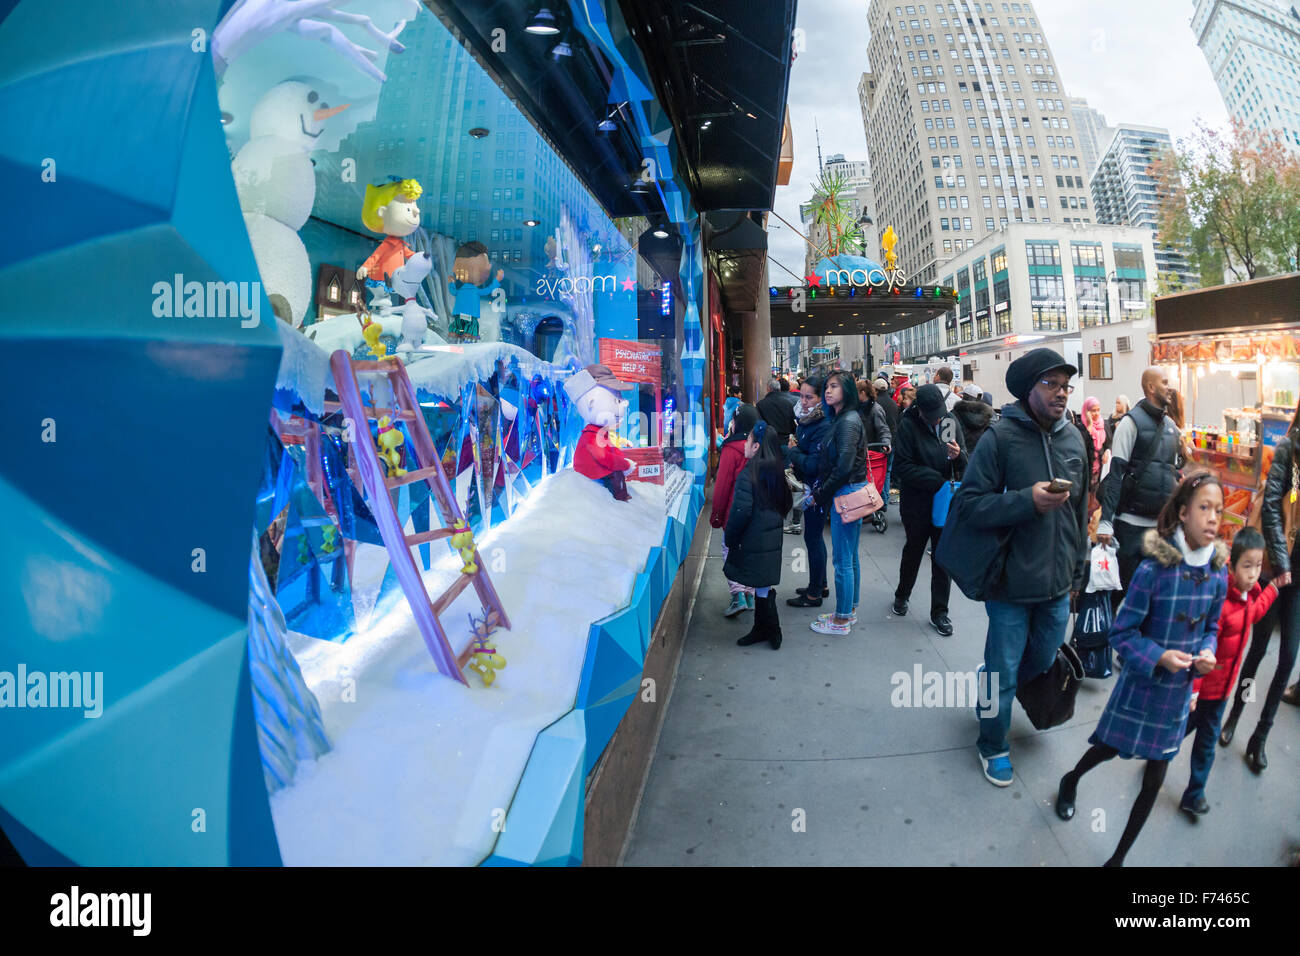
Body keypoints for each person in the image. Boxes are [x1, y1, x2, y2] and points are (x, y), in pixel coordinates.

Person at [1054, 472, 1227, 866]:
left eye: (1218, 509)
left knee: (1155, 779)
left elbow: (1213, 628)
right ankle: (1071, 780)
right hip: (1141, 687)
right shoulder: (1155, 570)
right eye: (1204, 507)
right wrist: (1159, 657)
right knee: (1108, 749)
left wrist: (1207, 652)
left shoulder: (1218, 572)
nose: (1214, 517)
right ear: (1183, 513)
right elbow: (1122, 633)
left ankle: (1117, 859)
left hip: (1177, 697)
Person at [947, 348, 1089, 786]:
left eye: (1066, 386)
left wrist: (1078, 570)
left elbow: (1081, 510)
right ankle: (992, 743)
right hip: (1010, 583)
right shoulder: (999, 438)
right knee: (1005, 671)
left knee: (1041, 659)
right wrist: (1026, 500)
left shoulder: (1075, 438)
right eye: (1051, 384)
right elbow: (969, 505)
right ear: (1029, 388)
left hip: (1058, 584)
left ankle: (993, 681)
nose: (1061, 394)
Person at [1180, 527, 1279, 819]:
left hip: (1222, 693)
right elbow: (1202, 647)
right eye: (1247, 566)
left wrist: (1273, 588)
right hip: (1202, 692)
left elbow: (1257, 612)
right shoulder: (1221, 602)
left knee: (1206, 747)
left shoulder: (1250, 597)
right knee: (1178, 732)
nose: (1253, 573)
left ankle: (1194, 795)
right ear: (1232, 565)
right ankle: (1156, 757)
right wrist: (1194, 689)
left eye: (1258, 566)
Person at [1231, 400, 1300, 773]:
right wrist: (1282, 562)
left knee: (1288, 658)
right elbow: (1273, 505)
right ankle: (1235, 715)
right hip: (1279, 566)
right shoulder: (1291, 448)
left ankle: (1260, 736)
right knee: (1256, 652)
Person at [1097, 367, 1182, 601]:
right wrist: (1105, 522)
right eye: (1165, 382)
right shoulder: (1130, 423)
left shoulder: (1171, 427)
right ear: (1151, 387)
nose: (1170, 387)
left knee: (1152, 602)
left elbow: (1173, 472)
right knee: (1125, 598)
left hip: (1160, 529)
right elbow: (1116, 475)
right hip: (1130, 529)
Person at [892, 383, 966, 636]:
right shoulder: (908, 425)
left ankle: (940, 612)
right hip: (917, 501)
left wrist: (958, 456)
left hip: (944, 500)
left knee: (942, 556)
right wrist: (937, 481)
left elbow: (961, 460)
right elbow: (903, 467)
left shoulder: (947, 421)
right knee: (913, 549)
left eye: (940, 416)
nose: (938, 421)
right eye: (932, 417)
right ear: (920, 411)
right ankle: (902, 594)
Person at [724, 421, 793, 649]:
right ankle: (766, 629)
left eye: (750, 439)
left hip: (753, 539)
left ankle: (771, 629)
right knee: (762, 586)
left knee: (759, 583)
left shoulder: (749, 472)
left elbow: (740, 511)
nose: (745, 443)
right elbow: (787, 504)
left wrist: (730, 538)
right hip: (770, 540)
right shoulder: (775, 469)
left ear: (756, 447)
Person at [808, 372, 867, 635]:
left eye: (834, 386)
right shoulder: (843, 418)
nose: (828, 391)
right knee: (849, 556)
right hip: (848, 490)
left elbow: (843, 466)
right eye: (827, 387)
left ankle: (842, 619)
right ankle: (848, 610)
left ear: (847, 390)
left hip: (846, 492)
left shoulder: (848, 421)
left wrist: (821, 493)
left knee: (843, 559)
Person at [785, 376, 832, 607]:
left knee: (813, 538)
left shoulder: (822, 424)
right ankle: (819, 584)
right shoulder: (808, 420)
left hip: (817, 490)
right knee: (813, 537)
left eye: (808, 397)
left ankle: (814, 593)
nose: (803, 401)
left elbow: (814, 465)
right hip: (812, 487)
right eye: (801, 395)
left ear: (821, 398)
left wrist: (793, 452)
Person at [711, 405, 761, 617]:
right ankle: (749, 593)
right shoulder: (762, 445)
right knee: (749, 552)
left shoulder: (731, 449)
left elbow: (722, 486)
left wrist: (717, 514)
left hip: (734, 512)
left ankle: (737, 594)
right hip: (758, 514)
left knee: (729, 550)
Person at [757, 377, 797, 453]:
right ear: (779, 389)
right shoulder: (787, 404)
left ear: (768, 389)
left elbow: (760, 425)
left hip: (769, 444)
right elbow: (793, 424)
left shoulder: (761, 405)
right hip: (785, 442)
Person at [953, 382, 994, 454]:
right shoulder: (989, 416)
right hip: (979, 458)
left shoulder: (954, 414)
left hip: (960, 457)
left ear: (964, 397)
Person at [1080, 396, 1106, 494]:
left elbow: (1109, 444)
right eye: (1093, 410)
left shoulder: (1103, 424)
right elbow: (1082, 445)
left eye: (1098, 410)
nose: (1096, 413)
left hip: (1099, 470)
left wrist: (1107, 451)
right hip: (1087, 471)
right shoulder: (1081, 427)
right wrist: (1090, 425)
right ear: (1086, 411)